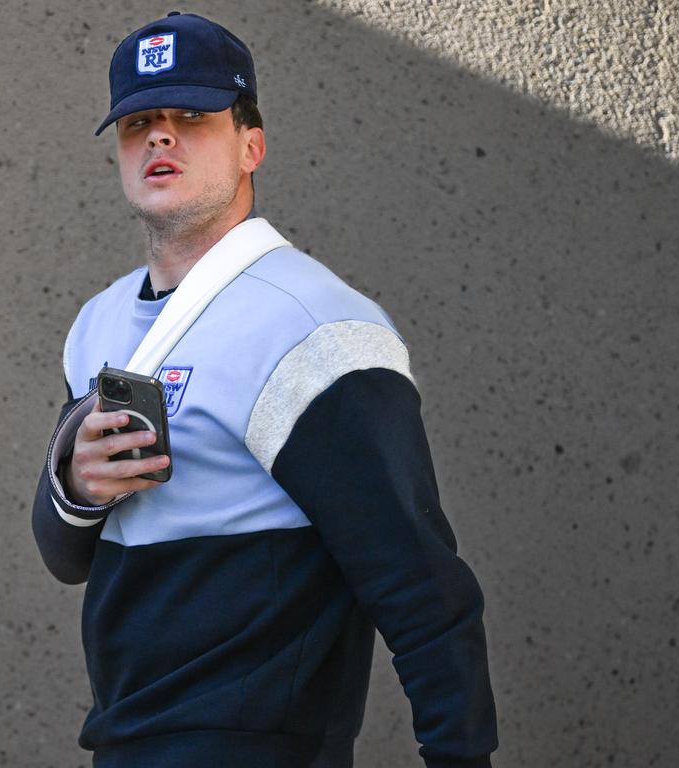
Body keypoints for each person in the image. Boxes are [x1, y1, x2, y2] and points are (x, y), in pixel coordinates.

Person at [32, 11, 498, 768]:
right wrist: (77, 487)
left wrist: (460, 758)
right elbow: (66, 556)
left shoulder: (313, 326)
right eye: (138, 121)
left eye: (192, 116)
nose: (159, 136)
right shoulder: (98, 324)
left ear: (252, 145)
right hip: (123, 743)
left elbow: (419, 585)